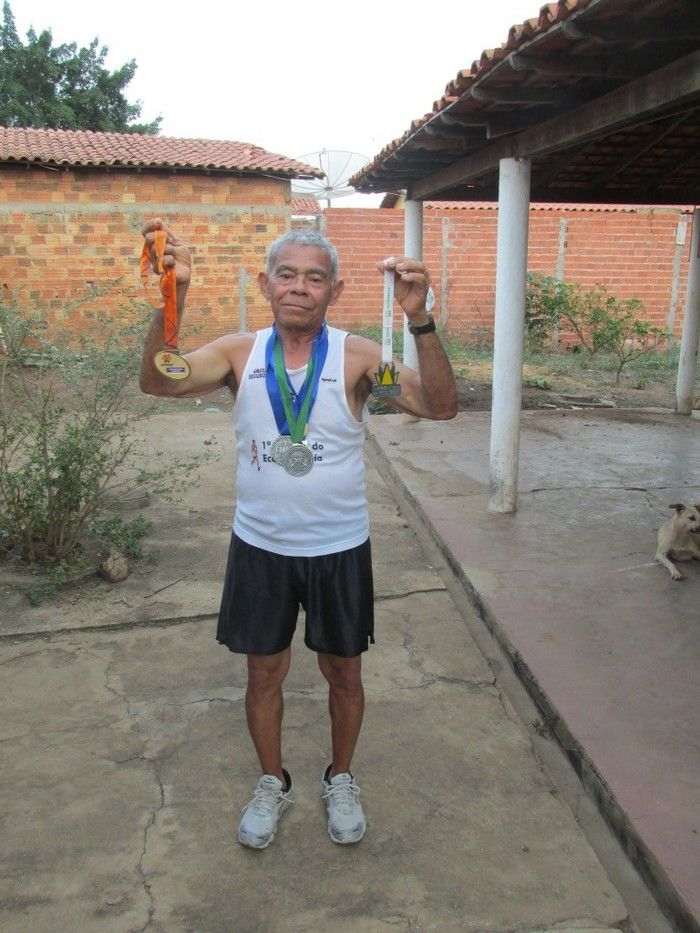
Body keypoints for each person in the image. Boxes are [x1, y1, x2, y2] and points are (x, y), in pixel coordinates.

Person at [139, 218, 457, 849]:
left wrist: (420, 320)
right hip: (261, 548)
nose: (300, 288)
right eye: (287, 275)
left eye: (315, 278)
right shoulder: (237, 355)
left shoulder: (361, 361)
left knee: (344, 671)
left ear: (333, 292)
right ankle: (272, 781)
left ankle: (340, 777)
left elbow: (437, 404)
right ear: (266, 283)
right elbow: (160, 379)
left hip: (339, 549)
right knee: (264, 674)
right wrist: (169, 301)